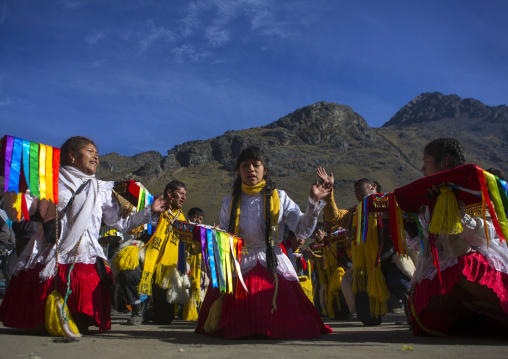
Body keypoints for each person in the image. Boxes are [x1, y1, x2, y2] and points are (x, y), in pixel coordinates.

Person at [0, 136, 168, 333]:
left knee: (82, 310)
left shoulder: (102, 189)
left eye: (97, 154)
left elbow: (123, 223)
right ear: (72, 155)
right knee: (38, 320)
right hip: (50, 250)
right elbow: (20, 212)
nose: (96, 157)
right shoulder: (47, 179)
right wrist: (15, 187)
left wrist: (150, 211)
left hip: (84, 251)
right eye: (90, 151)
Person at [195, 146, 333, 339]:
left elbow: (302, 230)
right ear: (238, 172)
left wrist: (312, 202)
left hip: (273, 262)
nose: (251, 169)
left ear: (265, 170)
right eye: (245, 165)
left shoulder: (281, 197)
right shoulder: (229, 202)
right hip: (239, 263)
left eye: (256, 165)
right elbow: (225, 237)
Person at [407, 138, 508, 335]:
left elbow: (487, 236)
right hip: (447, 264)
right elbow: (432, 249)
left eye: (426, 162)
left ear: (444, 162)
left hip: (479, 258)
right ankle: (477, 318)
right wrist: (414, 232)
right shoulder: (430, 199)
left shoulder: (476, 190)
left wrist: (456, 213)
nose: (422, 168)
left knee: (465, 269)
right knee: (424, 301)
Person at [316, 167, 412, 325]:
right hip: (364, 268)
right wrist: (328, 191)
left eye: (360, 186)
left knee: (400, 284)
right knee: (368, 319)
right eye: (354, 189)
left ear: (373, 187)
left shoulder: (390, 205)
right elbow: (332, 215)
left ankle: (413, 312)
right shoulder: (353, 214)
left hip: (389, 261)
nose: (355, 190)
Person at [115, 180, 188, 326]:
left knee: (165, 319)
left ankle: (150, 311)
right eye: (181, 193)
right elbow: (134, 208)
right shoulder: (152, 205)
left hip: (164, 269)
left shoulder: (182, 219)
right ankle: (136, 308)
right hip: (146, 258)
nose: (184, 197)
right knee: (127, 271)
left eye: (185, 194)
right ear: (169, 193)